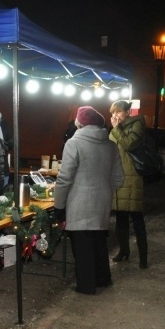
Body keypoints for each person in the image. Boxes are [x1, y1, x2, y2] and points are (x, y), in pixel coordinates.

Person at [53, 106, 124, 295]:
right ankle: (103, 279)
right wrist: (104, 191)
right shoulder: (111, 145)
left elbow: (64, 178)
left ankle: (86, 286)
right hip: (102, 203)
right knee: (99, 242)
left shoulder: (73, 144)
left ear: (79, 124)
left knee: (82, 245)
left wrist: (59, 205)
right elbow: (119, 178)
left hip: (79, 203)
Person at [108, 100, 149, 268]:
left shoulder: (137, 124)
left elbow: (129, 144)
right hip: (117, 176)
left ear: (127, 112)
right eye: (113, 112)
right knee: (121, 218)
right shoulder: (116, 128)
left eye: (118, 112)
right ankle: (123, 251)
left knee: (137, 218)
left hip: (132, 178)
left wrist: (116, 129)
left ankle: (143, 257)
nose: (115, 115)